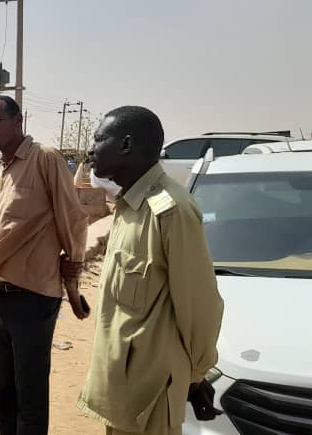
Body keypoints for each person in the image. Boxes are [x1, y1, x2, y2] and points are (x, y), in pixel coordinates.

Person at [78, 106, 224, 435]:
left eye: (100, 139)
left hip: (151, 396)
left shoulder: (171, 211)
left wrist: (196, 374)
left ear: (126, 145)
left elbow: (200, 308)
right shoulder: (129, 206)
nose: (91, 149)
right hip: (122, 392)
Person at [0, 95, 89, 435]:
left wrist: (73, 271)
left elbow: (72, 218)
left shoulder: (44, 159)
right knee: (5, 391)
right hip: (1, 296)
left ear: (18, 122)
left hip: (34, 296)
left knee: (30, 395)